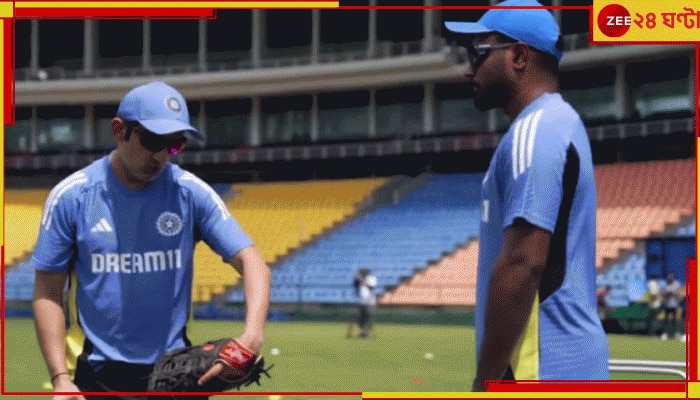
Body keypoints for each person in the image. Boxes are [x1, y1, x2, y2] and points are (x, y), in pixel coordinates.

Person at [31, 81, 271, 399]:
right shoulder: (72, 197)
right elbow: (47, 292)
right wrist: (61, 377)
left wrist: (252, 335)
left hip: (175, 374)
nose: (161, 155)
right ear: (119, 130)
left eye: (174, 145)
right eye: (153, 140)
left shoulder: (191, 193)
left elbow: (252, 262)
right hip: (96, 377)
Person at [445, 0, 609, 391]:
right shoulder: (557, 123)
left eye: (478, 52)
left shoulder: (536, 131)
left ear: (519, 56)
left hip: (543, 369)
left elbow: (523, 262)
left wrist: (486, 381)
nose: (470, 69)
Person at [346, 268, 377, 338]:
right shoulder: (359, 279)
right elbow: (355, 285)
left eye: (362, 273)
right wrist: (359, 281)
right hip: (360, 301)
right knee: (358, 317)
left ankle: (366, 332)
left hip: (368, 301)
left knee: (366, 317)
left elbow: (371, 288)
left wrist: (363, 282)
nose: (361, 274)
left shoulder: (371, 278)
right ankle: (363, 332)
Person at [660, 273, 682, 340]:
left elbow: (679, 293)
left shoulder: (676, 284)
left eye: (671, 278)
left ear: (673, 278)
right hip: (667, 305)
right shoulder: (665, 284)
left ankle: (676, 333)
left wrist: (673, 293)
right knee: (666, 320)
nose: (669, 279)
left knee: (674, 320)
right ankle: (665, 334)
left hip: (674, 305)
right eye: (669, 278)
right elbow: (662, 293)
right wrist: (666, 293)